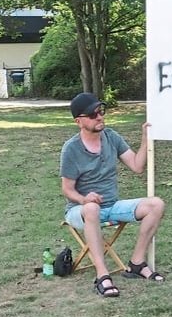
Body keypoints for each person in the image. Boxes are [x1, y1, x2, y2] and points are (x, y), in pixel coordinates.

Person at [60, 92, 166, 297]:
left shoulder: (111, 137)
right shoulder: (71, 149)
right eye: (93, 115)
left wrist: (145, 140)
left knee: (156, 205)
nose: (99, 117)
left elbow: (137, 166)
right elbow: (67, 189)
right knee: (92, 208)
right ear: (78, 121)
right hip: (80, 210)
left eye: (101, 111)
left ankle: (136, 263)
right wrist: (84, 199)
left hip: (111, 206)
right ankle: (102, 275)